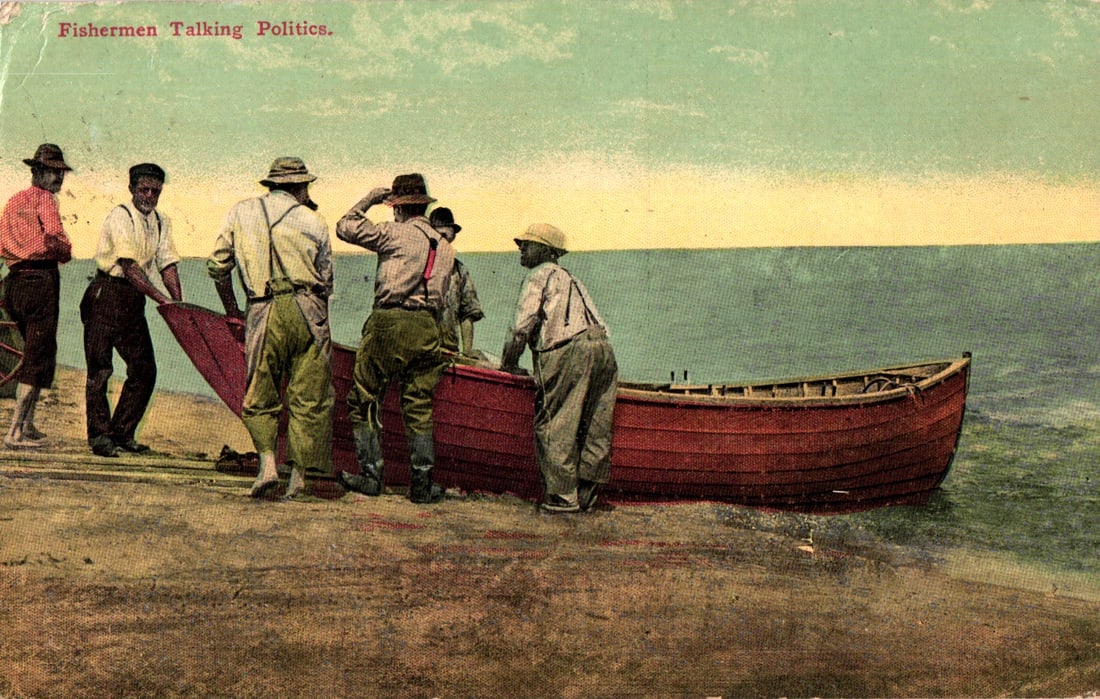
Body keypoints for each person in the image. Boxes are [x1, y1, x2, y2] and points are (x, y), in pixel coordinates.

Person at [207, 157, 334, 500]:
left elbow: (217, 266)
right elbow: (327, 280)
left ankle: (267, 466)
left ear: (272, 184)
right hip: (308, 309)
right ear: (300, 187)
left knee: (260, 391)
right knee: (309, 397)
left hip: (261, 306)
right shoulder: (314, 220)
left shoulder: (240, 211)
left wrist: (233, 308)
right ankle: (300, 477)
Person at [335, 173, 455, 504]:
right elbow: (443, 298)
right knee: (418, 406)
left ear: (397, 208)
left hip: (388, 322)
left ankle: (372, 477)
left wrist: (369, 200)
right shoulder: (445, 247)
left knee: (363, 400)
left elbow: (345, 226)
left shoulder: (392, 233)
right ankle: (421, 485)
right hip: (427, 327)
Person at [500, 224, 618, 513]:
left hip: (569, 349)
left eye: (529, 244)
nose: (521, 248)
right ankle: (588, 496)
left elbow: (520, 329)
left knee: (555, 423)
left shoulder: (538, 275)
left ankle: (564, 498)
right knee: (595, 425)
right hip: (602, 349)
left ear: (548, 251)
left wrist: (509, 364)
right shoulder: (571, 278)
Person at [81, 163, 183, 458]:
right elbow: (130, 267)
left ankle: (122, 432)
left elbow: (168, 264)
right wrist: (161, 300)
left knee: (144, 370)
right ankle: (99, 436)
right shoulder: (120, 216)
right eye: (144, 190)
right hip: (106, 294)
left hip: (134, 300)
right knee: (100, 369)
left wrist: (179, 303)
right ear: (132, 189)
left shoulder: (162, 222)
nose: (149, 196)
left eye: (155, 191)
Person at [0, 144, 73, 449]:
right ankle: (15, 431)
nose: (59, 178)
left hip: (13, 281)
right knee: (38, 355)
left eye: (60, 172)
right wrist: (64, 250)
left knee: (33, 351)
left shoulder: (13, 201)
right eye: (54, 172)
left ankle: (27, 425)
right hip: (40, 280)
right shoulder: (45, 200)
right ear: (39, 172)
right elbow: (57, 244)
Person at [429, 207, 483, 356]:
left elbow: (468, 314)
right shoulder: (419, 264)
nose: (443, 242)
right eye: (439, 236)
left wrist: (467, 352)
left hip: (448, 351)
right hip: (420, 349)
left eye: (447, 237)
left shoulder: (460, 270)